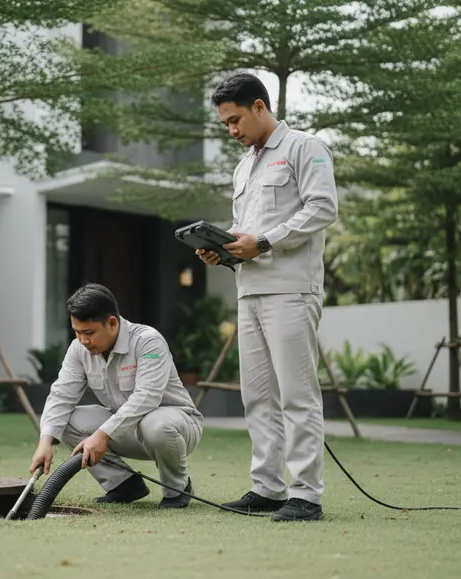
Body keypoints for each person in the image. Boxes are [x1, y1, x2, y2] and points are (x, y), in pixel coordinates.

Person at [196, 72, 338, 522]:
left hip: (292, 290)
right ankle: (268, 488)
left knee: (296, 395)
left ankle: (306, 495)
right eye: (225, 124)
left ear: (260, 106)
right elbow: (247, 232)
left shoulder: (304, 148)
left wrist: (263, 242)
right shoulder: (243, 167)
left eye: (235, 120)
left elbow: (323, 208)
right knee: (257, 397)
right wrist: (223, 248)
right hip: (250, 290)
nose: (231, 130)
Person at [30, 283, 204, 509]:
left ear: (112, 323)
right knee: (65, 422)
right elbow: (61, 395)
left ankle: (177, 489)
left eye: (89, 333)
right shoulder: (78, 349)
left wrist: (102, 434)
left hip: (176, 428)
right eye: (77, 332)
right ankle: (124, 485)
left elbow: (148, 397)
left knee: (155, 424)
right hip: (125, 429)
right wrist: (45, 443)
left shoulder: (148, 341)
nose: (83, 340)